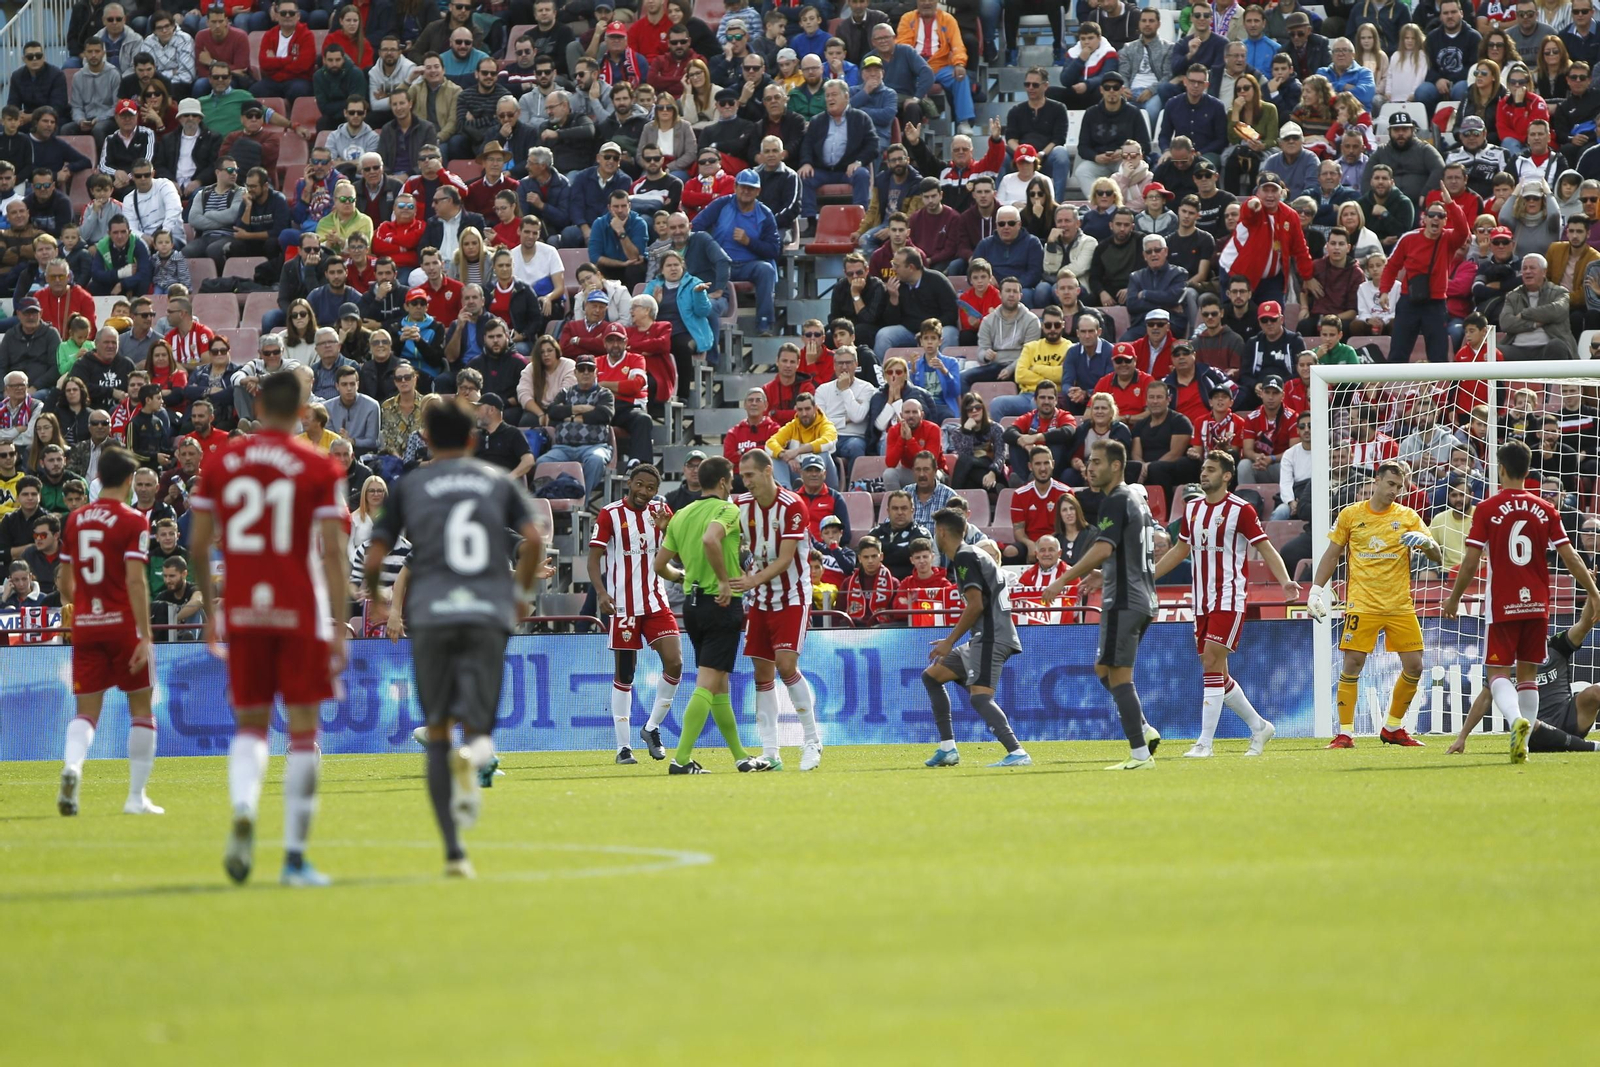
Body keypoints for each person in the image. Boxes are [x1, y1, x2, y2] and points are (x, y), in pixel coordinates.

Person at [364, 398, 549, 877]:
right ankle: (479, 755)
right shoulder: (493, 481)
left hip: (432, 617)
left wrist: (377, 600)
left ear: (426, 440)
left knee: (440, 729)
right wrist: (521, 595)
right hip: (486, 616)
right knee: (481, 728)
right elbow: (534, 541)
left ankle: (453, 852)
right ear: (472, 440)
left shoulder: (412, 485)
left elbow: (375, 551)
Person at [1442, 439, 1600, 760]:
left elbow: (1471, 562)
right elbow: (1570, 558)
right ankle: (1524, 746)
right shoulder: (1546, 509)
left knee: (1496, 674)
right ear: (1528, 471)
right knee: (1527, 674)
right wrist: (1594, 592)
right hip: (1538, 604)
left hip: (1503, 603)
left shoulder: (1486, 509)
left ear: (1501, 469)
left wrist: (1454, 598)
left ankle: (1518, 723)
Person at [1153, 451, 1299, 757]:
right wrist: (1150, 576)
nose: (1203, 474)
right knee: (1217, 671)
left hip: (1229, 598)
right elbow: (1180, 550)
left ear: (1227, 476)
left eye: (1210, 469)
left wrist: (1285, 581)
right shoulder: (1192, 508)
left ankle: (1204, 742)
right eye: (1202, 469)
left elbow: (1266, 547)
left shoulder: (1241, 510)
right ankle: (1259, 727)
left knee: (1210, 662)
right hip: (1201, 601)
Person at [1043, 440, 1164, 768]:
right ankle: (1143, 728)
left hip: (1124, 600)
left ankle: (1140, 753)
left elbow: (1104, 547)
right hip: (1139, 597)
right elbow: (1125, 551)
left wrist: (1062, 579)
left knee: (1118, 674)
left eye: (1096, 462)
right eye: (1088, 461)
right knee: (1104, 669)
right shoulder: (1135, 501)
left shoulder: (1116, 499)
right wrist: (1102, 574)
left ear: (1115, 466)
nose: (1090, 468)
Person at [1306, 460, 1444, 747]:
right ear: (1378, 481)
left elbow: (1438, 558)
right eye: (1391, 484)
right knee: (1352, 663)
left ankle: (1393, 727)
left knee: (1415, 666)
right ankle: (1344, 733)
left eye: (1399, 487)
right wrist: (1315, 591)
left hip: (1399, 605)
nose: (1395, 491)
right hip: (1362, 603)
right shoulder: (1351, 515)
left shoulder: (1408, 517)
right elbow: (1333, 554)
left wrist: (1427, 543)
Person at [55, 445, 160, 819]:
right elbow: (136, 580)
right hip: (123, 627)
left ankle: (72, 768)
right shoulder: (134, 520)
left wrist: (83, 605)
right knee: (142, 711)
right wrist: (145, 634)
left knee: (86, 712)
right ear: (130, 480)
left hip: (85, 625)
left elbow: (64, 580)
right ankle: (136, 797)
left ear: (98, 478)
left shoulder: (76, 520)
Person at [651, 454, 771, 773]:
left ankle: (740, 757)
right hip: (720, 604)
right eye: (731, 480)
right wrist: (721, 580)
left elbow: (659, 565)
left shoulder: (681, 515)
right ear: (722, 482)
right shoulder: (727, 509)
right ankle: (681, 760)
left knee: (720, 685)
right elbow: (710, 539)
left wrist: (685, 577)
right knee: (707, 683)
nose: (733, 485)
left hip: (692, 606)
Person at [732, 449, 824, 770]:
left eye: (750, 476)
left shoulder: (792, 506)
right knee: (762, 673)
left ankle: (812, 741)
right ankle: (771, 753)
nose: (746, 482)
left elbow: (786, 559)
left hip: (792, 597)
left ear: (768, 471)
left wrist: (750, 579)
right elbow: (723, 533)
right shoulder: (740, 505)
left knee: (786, 665)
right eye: (742, 477)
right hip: (759, 600)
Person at [920, 507, 1031, 767]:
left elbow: (976, 604)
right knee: (932, 676)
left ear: (941, 532)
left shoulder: (964, 557)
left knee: (980, 697)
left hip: (992, 636)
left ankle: (1017, 752)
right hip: (983, 636)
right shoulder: (975, 553)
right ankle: (948, 749)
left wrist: (950, 641)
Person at [588, 463, 684, 764]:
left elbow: (676, 554)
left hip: (656, 602)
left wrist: (669, 529)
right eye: (640, 485)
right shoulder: (610, 514)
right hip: (623, 606)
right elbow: (593, 560)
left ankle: (652, 727)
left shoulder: (661, 512)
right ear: (630, 483)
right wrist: (602, 593)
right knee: (625, 674)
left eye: (651, 488)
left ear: (657, 490)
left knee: (675, 662)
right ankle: (623, 747)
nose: (644, 492)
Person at [1448, 594, 1600, 753]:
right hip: (1533, 731)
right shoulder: (1504, 663)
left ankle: (1572, 743)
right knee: (1525, 722)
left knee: (1595, 692)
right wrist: (1462, 737)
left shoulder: (1557, 645)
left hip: (1567, 718)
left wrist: (1591, 594)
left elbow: (1585, 624)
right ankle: (1590, 746)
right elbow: (1484, 698)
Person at [1379, 192, 1470, 363]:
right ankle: (1394, 390)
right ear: (1424, 218)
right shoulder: (1409, 238)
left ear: (1445, 221)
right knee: (1398, 353)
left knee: (1438, 355)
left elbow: (1463, 230)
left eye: (1441, 216)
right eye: (1432, 215)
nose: (1436, 218)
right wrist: (1384, 291)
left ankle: (1439, 390)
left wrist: (1450, 203)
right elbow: (1392, 266)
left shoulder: (1449, 238)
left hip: (1435, 305)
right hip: (1409, 301)